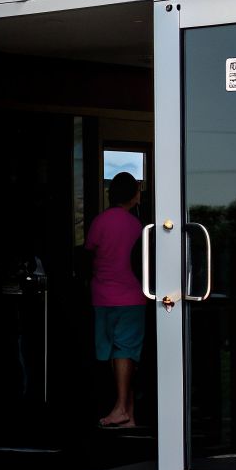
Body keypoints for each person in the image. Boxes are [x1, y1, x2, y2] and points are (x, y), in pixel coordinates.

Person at [89, 171, 147, 428]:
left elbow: (89, 251)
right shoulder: (138, 227)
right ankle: (124, 410)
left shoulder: (100, 222)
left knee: (116, 353)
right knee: (127, 353)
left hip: (102, 296)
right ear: (134, 196)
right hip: (132, 298)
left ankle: (124, 411)